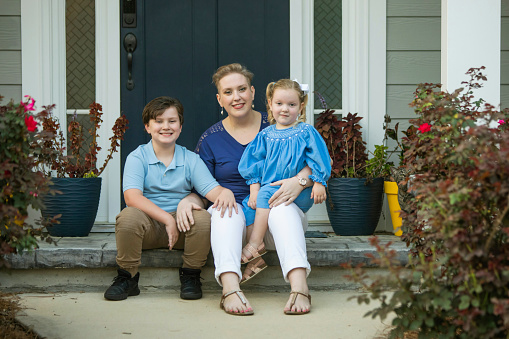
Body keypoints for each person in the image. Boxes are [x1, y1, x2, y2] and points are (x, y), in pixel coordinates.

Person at [177, 63, 318, 315]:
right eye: (228, 92)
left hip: (278, 217)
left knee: (282, 209)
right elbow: (201, 185)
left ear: (253, 93)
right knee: (223, 209)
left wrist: (300, 180)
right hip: (233, 228)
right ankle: (230, 289)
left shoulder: (281, 121)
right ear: (220, 99)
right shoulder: (211, 139)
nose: (237, 97)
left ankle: (300, 288)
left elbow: (315, 158)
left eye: (242, 89)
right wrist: (188, 200)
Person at [104, 96, 236, 302]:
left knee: (202, 219)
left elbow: (212, 191)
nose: (166, 126)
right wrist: (167, 219)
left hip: (182, 228)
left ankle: (190, 275)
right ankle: (127, 277)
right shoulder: (137, 157)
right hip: (147, 225)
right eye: (159, 121)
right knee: (127, 217)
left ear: (180, 127)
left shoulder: (191, 159)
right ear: (148, 127)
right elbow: (132, 197)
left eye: (172, 121)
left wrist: (224, 192)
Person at [238, 79, 331, 280]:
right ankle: (256, 261)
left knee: (263, 196)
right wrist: (253, 189)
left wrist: (319, 182)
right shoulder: (266, 135)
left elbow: (319, 157)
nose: (285, 109)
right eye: (279, 104)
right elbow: (252, 162)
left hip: (301, 192)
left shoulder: (305, 132)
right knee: (248, 209)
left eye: (292, 104)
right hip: (271, 189)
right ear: (270, 104)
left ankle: (255, 244)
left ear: (301, 106)